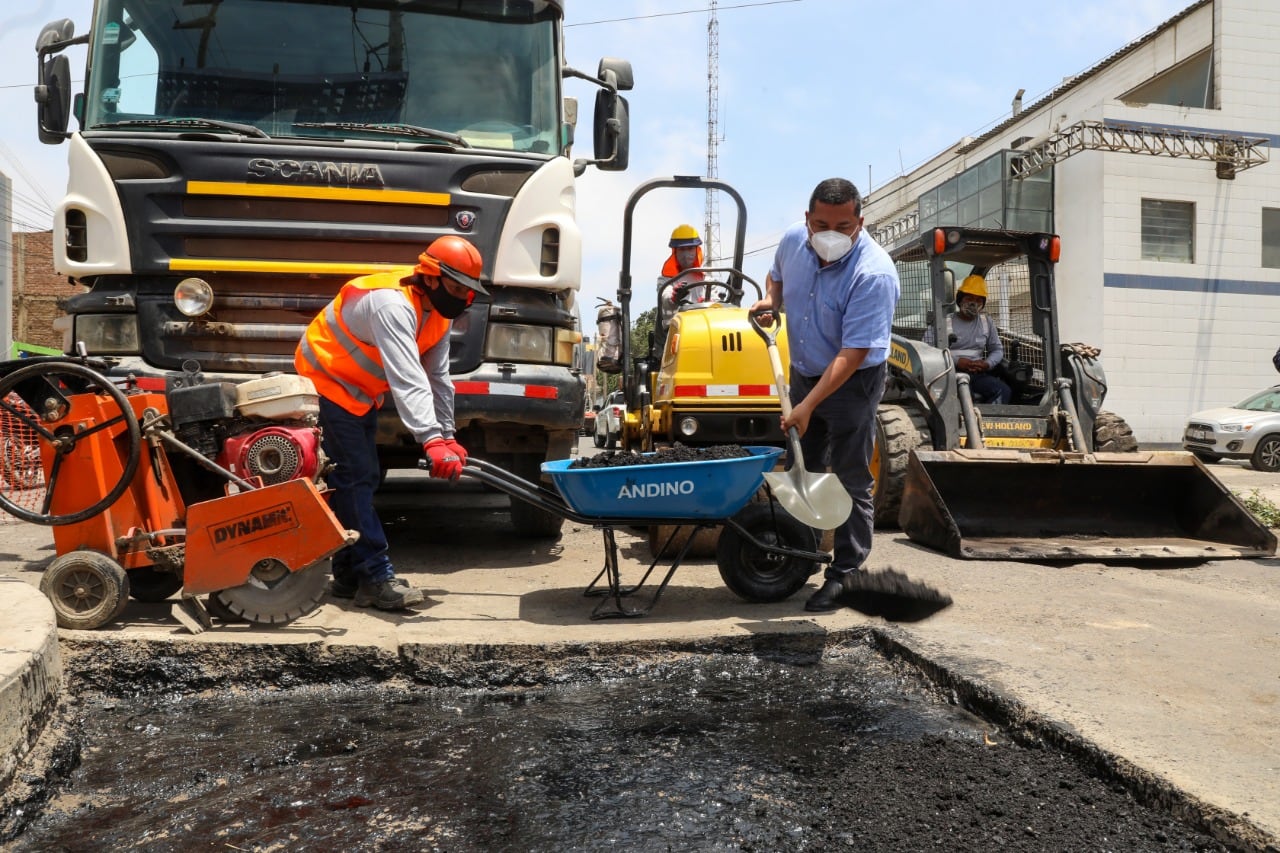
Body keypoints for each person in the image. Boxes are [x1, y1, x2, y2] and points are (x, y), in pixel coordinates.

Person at [294, 236, 487, 610]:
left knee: (354, 477)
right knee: (357, 476)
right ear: (430, 278)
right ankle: (375, 575)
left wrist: (448, 436)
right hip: (326, 381)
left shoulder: (436, 315)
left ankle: (348, 575)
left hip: (360, 392)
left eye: (469, 291)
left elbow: (438, 378)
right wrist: (430, 440)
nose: (463, 298)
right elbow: (407, 377)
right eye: (456, 288)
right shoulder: (391, 304)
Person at [750, 177, 900, 612]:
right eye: (821, 223)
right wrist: (769, 301)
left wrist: (807, 406)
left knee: (851, 474)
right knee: (805, 463)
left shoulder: (874, 274)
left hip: (853, 383)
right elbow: (776, 278)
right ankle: (804, 554)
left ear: (860, 222)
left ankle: (847, 572)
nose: (830, 234)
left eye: (843, 225)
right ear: (807, 219)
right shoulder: (794, 241)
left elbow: (853, 354)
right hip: (804, 370)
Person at [937, 274, 1012, 405]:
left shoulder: (986, 322)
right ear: (960, 299)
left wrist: (987, 364)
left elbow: (997, 349)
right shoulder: (944, 322)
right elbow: (929, 349)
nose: (973, 303)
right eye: (969, 298)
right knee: (966, 397)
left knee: (1003, 391)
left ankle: (988, 423)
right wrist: (956, 361)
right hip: (949, 374)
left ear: (983, 303)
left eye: (978, 300)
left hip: (978, 375)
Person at [657, 224, 708, 331]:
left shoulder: (707, 279)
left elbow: (717, 304)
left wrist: (710, 303)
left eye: (690, 249)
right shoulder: (666, 280)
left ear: (696, 250)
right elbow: (665, 297)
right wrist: (674, 298)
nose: (686, 254)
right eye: (682, 249)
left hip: (704, 329)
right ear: (675, 251)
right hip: (675, 330)